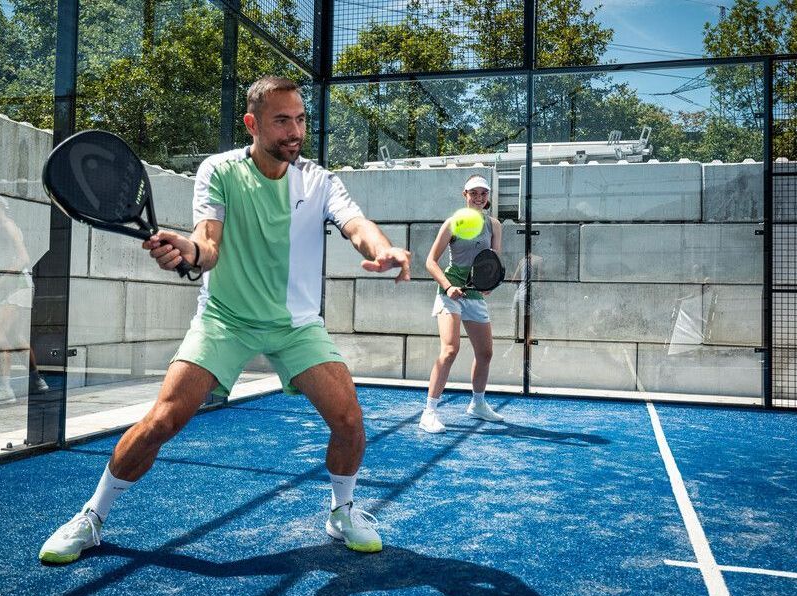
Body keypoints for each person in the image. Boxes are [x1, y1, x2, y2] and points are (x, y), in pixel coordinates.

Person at [38, 76, 411, 563]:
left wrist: (382, 250)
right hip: (225, 319)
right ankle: (92, 516)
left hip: (296, 325)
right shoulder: (219, 170)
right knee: (163, 420)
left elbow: (356, 225)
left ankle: (342, 512)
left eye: (300, 119)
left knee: (349, 420)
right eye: (282, 121)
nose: (295, 131)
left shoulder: (319, 180)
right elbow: (208, 245)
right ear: (252, 123)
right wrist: (189, 251)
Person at [420, 175, 504, 434]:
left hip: (474, 293)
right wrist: (448, 286)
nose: (479, 197)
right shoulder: (452, 223)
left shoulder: (494, 225)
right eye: (473, 193)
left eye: (483, 193)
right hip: (450, 292)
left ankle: (477, 404)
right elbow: (430, 261)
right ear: (464, 195)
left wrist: (489, 284)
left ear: (488, 196)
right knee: (450, 350)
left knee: (485, 353)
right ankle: (429, 412)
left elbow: (493, 261)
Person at [0, 190, 49, 406]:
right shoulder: (0, 227)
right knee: (15, 336)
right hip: (20, 287)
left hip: (17, 286)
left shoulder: (7, 226)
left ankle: (5, 389)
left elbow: (23, 258)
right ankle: (37, 381)